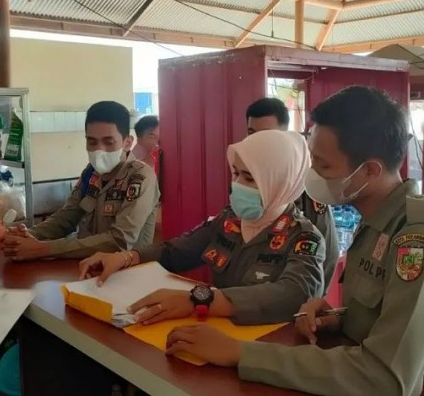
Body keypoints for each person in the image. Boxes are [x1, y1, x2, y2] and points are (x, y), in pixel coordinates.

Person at [165, 86, 424, 396]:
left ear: (369, 170)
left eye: (323, 165)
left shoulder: (413, 238)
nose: (310, 174)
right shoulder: (375, 222)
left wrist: (241, 353)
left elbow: (384, 377)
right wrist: (340, 319)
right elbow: (387, 324)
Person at [79, 129, 326, 325]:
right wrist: (126, 258)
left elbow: (295, 293)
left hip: (266, 351)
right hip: (214, 336)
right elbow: (176, 251)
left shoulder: (303, 237)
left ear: (281, 181)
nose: (237, 185)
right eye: (235, 173)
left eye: (249, 178)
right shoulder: (229, 221)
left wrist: (201, 301)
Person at [3, 101, 160, 261]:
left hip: (127, 275)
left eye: (108, 142)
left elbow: (119, 240)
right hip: (84, 269)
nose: (99, 150)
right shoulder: (91, 173)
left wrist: (42, 249)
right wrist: (26, 236)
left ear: (127, 142)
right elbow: (66, 217)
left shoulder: (140, 177)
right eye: (92, 141)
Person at [246, 97, 339, 290]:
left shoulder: (304, 183)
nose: (256, 142)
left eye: (266, 135)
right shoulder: (245, 176)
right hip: (244, 296)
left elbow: (327, 251)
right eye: (251, 134)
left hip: (288, 294)